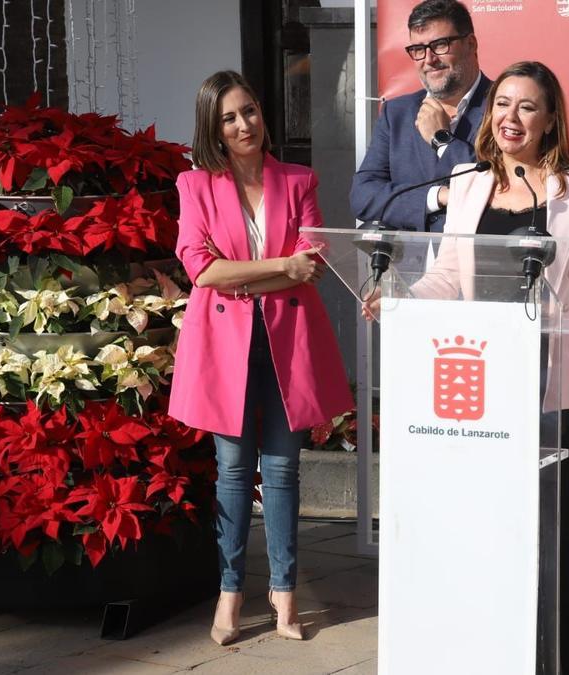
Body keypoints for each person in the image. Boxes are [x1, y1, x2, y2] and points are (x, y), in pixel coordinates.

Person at [407, 61, 569, 674]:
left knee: (554, 536)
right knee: (493, 530)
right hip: (484, 382)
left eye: (527, 107)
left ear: (549, 119)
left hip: (561, 379)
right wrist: (402, 301)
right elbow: (445, 275)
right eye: (503, 104)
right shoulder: (466, 184)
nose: (511, 117)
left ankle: (553, 665)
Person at [170, 70, 353, 646]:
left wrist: (243, 277)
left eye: (249, 110)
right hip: (225, 347)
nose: (245, 124)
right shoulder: (194, 185)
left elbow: (313, 264)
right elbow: (200, 268)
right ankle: (229, 591)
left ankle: (284, 590)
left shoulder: (298, 178)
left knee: (281, 471)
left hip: (287, 342)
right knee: (230, 471)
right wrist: (278, 271)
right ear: (214, 129)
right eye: (230, 117)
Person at [350, 0, 490, 231]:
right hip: (412, 264)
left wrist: (442, 139)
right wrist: (436, 197)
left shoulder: (505, 108)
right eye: (418, 49)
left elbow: (498, 188)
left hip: (482, 261)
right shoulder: (397, 114)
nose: (429, 59)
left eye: (440, 44)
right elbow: (363, 196)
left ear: (471, 44)